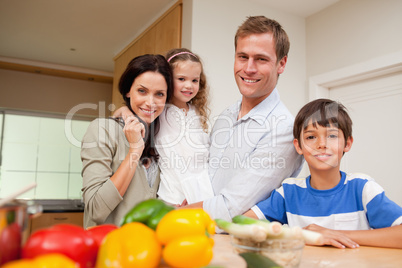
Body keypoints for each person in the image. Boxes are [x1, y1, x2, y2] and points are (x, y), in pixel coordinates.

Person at [185, 16, 304, 221]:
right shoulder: (226, 116)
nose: (248, 68)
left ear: (281, 64)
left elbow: (230, 209)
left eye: (261, 59)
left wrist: (167, 214)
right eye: (242, 57)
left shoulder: (283, 130)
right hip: (193, 235)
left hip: (234, 246)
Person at [244, 98, 402, 249]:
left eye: (332, 135)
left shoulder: (362, 188)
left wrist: (333, 234)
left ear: (347, 143)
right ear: (298, 146)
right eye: (311, 137)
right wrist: (298, 235)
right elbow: (242, 224)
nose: (321, 144)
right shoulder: (288, 192)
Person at [81, 54, 173, 228]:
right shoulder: (102, 130)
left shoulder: (161, 138)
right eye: (142, 91)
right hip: (109, 249)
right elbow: (96, 210)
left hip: (146, 250)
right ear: (128, 91)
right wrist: (135, 150)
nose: (150, 102)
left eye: (159, 94)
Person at [113, 48, 214, 206]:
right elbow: (119, 112)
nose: (189, 85)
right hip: (173, 192)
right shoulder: (160, 110)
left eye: (195, 80)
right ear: (167, 81)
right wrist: (126, 112)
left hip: (203, 189)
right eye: (181, 78)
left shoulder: (196, 112)